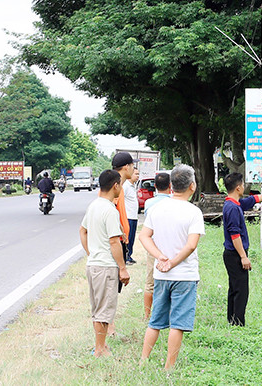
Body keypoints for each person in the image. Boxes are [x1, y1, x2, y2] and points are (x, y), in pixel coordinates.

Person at [139, 165, 204, 370]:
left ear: (171, 185)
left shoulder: (157, 209)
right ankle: (169, 367)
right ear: (192, 186)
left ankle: (143, 360)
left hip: (161, 275)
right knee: (178, 323)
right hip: (184, 275)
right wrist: (173, 263)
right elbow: (191, 245)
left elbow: (144, 236)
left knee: (155, 320)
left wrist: (160, 258)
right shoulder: (193, 212)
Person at [221, 172, 262, 326]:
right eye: (242, 184)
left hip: (232, 254)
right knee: (241, 290)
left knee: (235, 288)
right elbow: (235, 235)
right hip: (235, 254)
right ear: (238, 188)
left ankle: (232, 320)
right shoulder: (233, 208)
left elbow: (254, 199)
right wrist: (243, 256)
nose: (244, 187)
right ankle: (238, 323)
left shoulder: (234, 203)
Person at [79, 169, 130, 357]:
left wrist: (90, 252)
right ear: (115, 185)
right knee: (104, 309)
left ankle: (101, 345)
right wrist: (122, 268)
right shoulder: (109, 209)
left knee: (97, 308)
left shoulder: (93, 205)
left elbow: (82, 231)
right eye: (120, 185)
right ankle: (100, 349)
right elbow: (114, 241)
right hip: (106, 266)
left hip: (93, 265)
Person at [108, 152, 135, 337]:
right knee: (110, 287)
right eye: (133, 165)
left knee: (114, 287)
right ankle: (109, 330)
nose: (134, 169)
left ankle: (110, 327)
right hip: (114, 241)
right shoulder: (116, 186)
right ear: (126, 167)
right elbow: (110, 209)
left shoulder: (121, 185)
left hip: (120, 239)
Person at [141, 172, 172, 320]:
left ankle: (148, 315)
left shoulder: (149, 203)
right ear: (170, 186)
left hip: (152, 246)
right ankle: (168, 313)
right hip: (171, 245)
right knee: (171, 280)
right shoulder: (174, 202)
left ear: (155, 186)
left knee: (150, 282)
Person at [123, 169, 140, 265]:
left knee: (132, 237)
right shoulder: (125, 185)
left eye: (138, 174)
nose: (137, 176)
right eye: (136, 174)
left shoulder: (133, 186)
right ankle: (126, 257)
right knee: (128, 238)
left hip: (134, 216)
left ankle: (129, 255)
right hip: (128, 216)